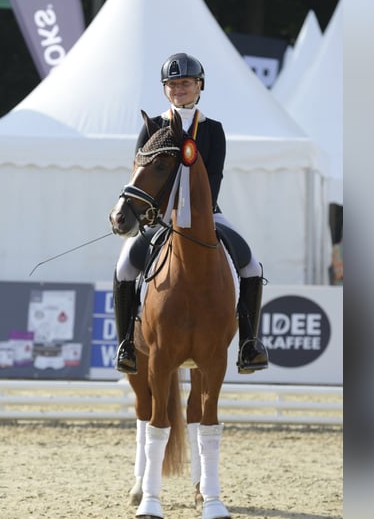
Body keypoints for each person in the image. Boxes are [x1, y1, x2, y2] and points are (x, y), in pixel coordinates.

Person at [113, 52, 269, 376]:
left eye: (185, 83)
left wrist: (193, 211)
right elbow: (141, 173)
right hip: (159, 219)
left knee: (251, 265)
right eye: (172, 84)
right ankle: (126, 342)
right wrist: (159, 213)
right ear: (165, 89)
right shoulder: (153, 126)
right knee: (125, 266)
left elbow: (214, 178)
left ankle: (249, 344)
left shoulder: (213, 130)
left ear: (199, 86)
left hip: (207, 215)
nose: (178, 89)